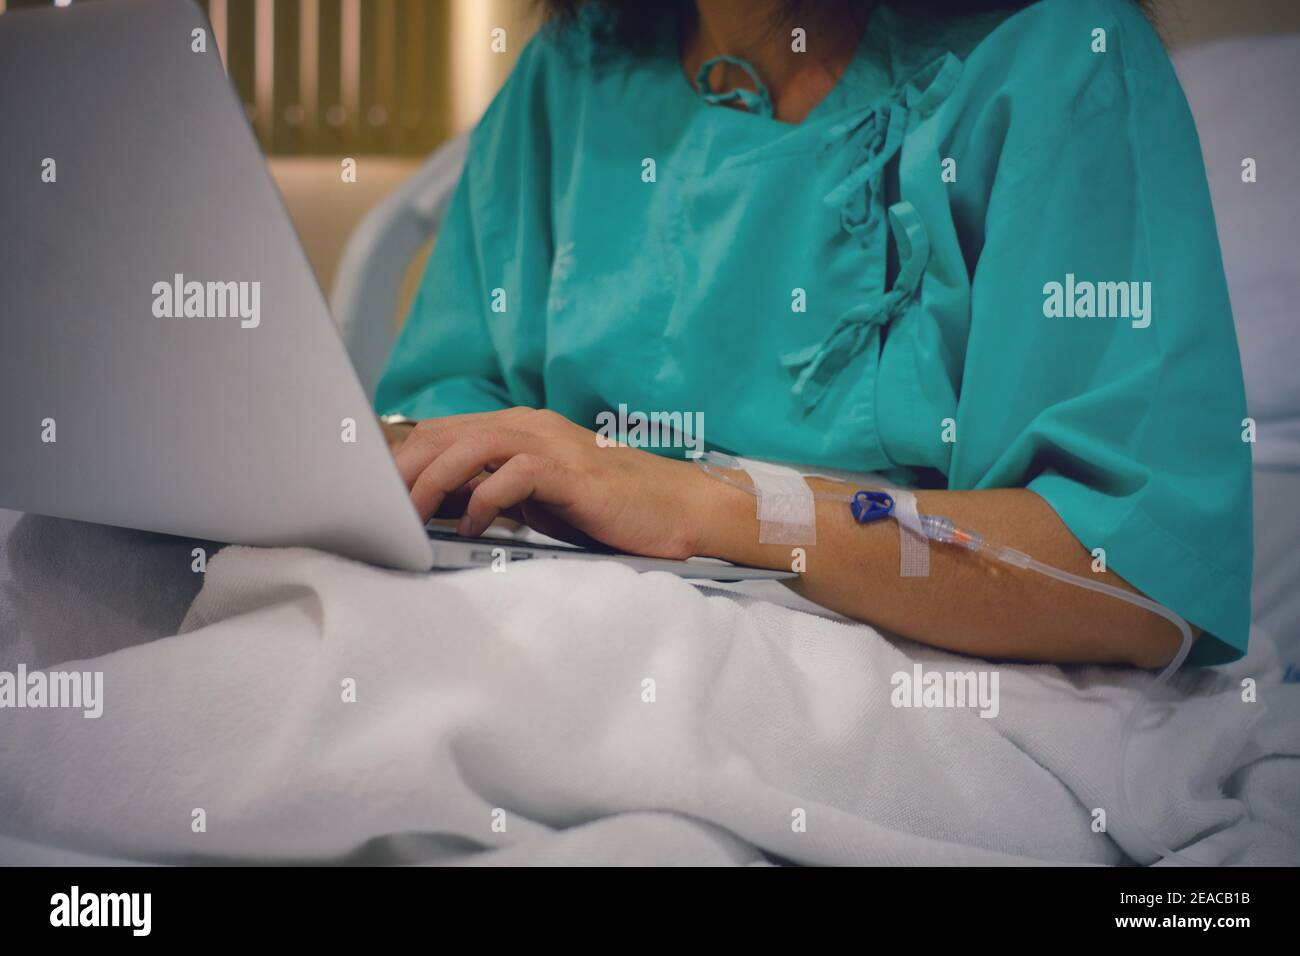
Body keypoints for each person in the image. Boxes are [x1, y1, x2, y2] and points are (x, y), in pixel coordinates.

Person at [375, 0, 1252, 668]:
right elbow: (442, 415)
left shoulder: (1064, 62)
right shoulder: (573, 73)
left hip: (902, 669)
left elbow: (1133, 580)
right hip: (562, 618)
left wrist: (698, 505)